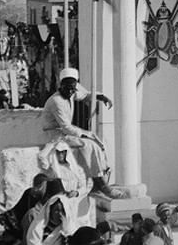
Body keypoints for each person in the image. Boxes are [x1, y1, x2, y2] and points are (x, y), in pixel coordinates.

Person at [41, 68, 120, 200]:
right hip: (54, 135)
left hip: (64, 132)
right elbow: (66, 127)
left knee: (98, 142)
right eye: (68, 88)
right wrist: (84, 135)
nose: (71, 92)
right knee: (89, 145)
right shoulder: (56, 101)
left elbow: (85, 95)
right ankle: (99, 183)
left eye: (73, 89)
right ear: (61, 86)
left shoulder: (71, 93)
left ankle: (99, 179)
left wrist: (100, 96)